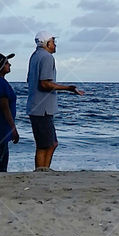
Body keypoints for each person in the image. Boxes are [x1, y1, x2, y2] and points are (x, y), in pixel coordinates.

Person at [26, 31, 83, 171]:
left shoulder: (35, 56)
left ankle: (43, 170)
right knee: (46, 145)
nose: (55, 44)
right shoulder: (47, 57)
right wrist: (68, 88)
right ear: (46, 43)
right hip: (42, 108)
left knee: (50, 143)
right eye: (53, 41)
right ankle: (41, 171)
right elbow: (45, 84)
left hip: (37, 106)